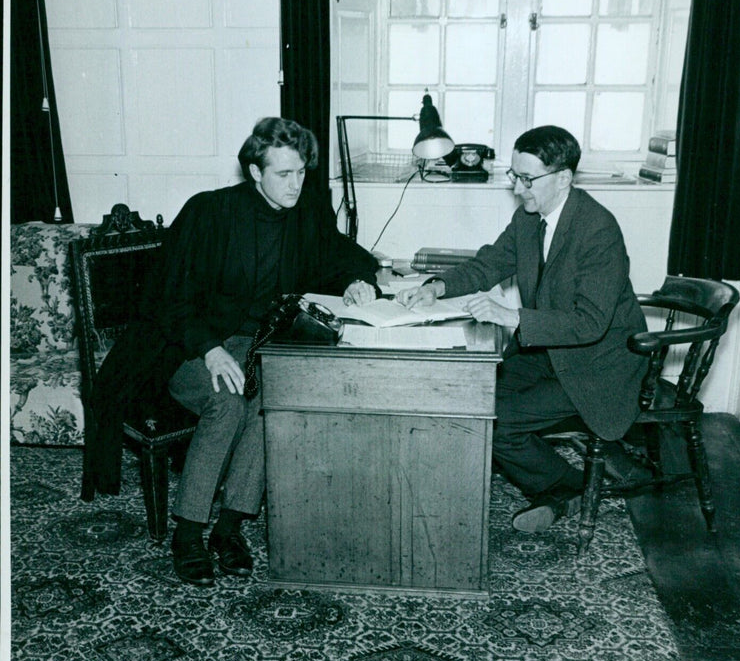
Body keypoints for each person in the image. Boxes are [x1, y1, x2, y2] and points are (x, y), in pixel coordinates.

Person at [84, 117, 379, 586]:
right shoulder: (210, 213)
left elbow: (339, 255)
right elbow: (165, 299)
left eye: (301, 172)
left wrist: (358, 280)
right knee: (226, 402)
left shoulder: (306, 211)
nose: (295, 184)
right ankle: (188, 533)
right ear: (255, 172)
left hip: (259, 343)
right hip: (185, 345)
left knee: (272, 403)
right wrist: (210, 350)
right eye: (283, 174)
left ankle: (229, 528)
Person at [397, 125, 647, 535]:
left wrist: (511, 317)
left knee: (498, 420)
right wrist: (436, 287)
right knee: (470, 396)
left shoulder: (598, 229)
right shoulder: (530, 218)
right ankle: (560, 483)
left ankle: (564, 486)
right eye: (514, 175)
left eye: (527, 179)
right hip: (549, 350)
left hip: (597, 365)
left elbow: (591, 322)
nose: (517, 188)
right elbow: (491, 263)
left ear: (563, 178)